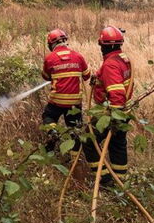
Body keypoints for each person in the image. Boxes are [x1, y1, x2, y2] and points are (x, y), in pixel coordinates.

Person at [86, 26, 133, 185]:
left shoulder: (110, 64)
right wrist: (98, 77)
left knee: (88, 139)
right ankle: (120, 180)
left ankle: (105, 180)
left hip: (110, 112)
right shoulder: (123, 58)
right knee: (117, 145)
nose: (101, 49)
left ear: (105, 45)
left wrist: (113, 118)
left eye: (102, 45)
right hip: (124, 111)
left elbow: (117, 93)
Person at [41, 29, 90, 152]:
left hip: (57, 100)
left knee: (48, 116)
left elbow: (46, 77)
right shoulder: (78, 56)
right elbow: (87, 75)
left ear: (51, 44)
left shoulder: (50, 58)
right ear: (65, 41)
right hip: (74, 103)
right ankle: (74, 159)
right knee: (75, 130)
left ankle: (52, 133)